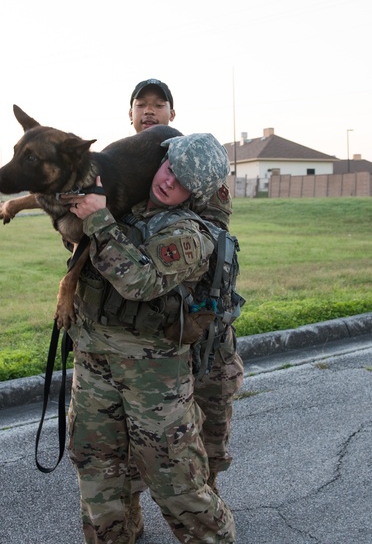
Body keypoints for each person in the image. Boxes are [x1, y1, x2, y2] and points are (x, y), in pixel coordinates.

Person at [61, 133, 236, 544]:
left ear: (197, 193)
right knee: (96, 464)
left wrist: (99, 219)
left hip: (153, 374)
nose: (170, 181)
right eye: (170, 168)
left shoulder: (192, 235)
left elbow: (139, 282)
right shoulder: (125, 203)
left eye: (184, 182)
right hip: (94, 361)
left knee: (175, 478)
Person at [125, 79, 245, 537]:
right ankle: (131, 521)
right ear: (130, 114)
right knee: (134, 444)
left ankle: (207, 512)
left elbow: (211, 232)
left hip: (201, 324)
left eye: (159, 105)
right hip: (145, 340)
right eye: (142, 105)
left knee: (210, 431)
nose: (150, 111)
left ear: (172, 114)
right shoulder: (123, 168)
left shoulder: (192, 162)